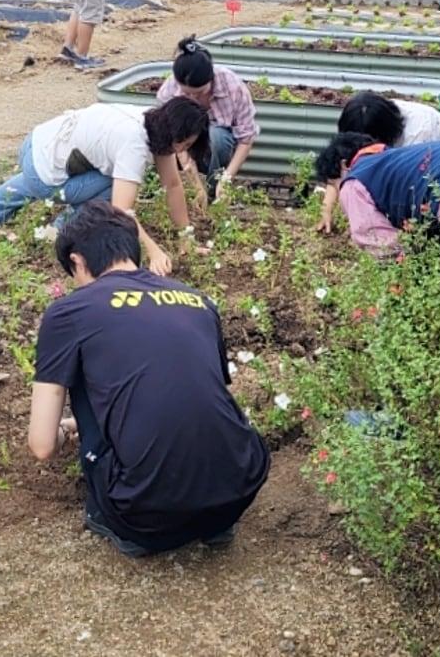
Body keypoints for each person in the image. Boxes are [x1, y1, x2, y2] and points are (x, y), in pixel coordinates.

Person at [28, 201, 270, 557]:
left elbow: (42, 446)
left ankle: (119, 518)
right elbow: (189, 391)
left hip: (143, 516)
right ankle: (212, 521)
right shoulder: (197, 300)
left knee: (82, 369)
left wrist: (68, 428)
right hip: (239, 488)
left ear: (77, 261)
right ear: (131, 248)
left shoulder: (70, 311)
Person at [0, 98, 210, 276]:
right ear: (172, 133)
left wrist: (186, 236)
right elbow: (121, 211)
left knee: (111, 179)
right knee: (112, 186)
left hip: (39, 141)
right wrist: (154, 251)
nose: (181, 152)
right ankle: (59, 226)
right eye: (183, 143)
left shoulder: (152, 121)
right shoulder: (134, 144)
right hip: (41, 166)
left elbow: (173, 184)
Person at [315, 92, 440, 233]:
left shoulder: (417, 132)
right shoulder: (365, 116)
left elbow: (408, 188)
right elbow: (339, 165)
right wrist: (326, 209)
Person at [155, 36, 259, 201]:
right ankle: (197, 191)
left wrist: (225, 180)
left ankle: (214, 190)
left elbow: (246, 139)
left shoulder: (232, 86)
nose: (193, 98)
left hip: (219, 148)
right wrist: (196, 185)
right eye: (187, 93)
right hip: (185, 148)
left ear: (211, 78)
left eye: (199, 92)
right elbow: (177, 142)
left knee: (217, 136)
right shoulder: (169, 92)